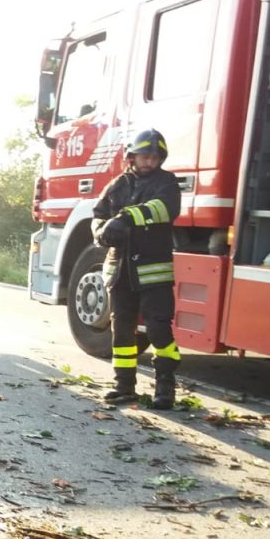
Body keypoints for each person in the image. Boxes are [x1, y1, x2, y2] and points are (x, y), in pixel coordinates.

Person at [92, 128, 181, 409]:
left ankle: (165, 388)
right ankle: (124, 386)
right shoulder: (118, 184)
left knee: (158, 330)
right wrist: (100, 232)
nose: (149, 162)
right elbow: (98, 215)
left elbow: (164, 208)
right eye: (144, 156)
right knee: (122, 331)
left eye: (154, 157)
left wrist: (125, 218)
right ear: (132, 156)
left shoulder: (166, 183)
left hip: (153, 271)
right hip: (120, 272)